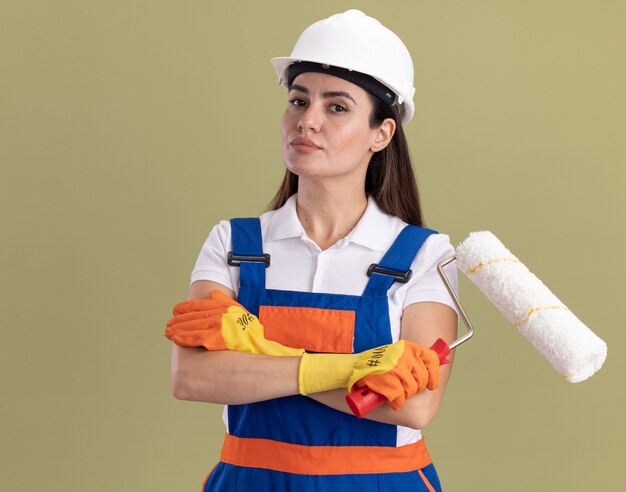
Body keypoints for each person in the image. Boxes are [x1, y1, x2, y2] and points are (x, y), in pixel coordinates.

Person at [166, 9, 459, 492]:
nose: (308, 121)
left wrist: (253, 354)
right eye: (298, 101)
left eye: (337, 107)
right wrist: (349, 369)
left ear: (381, 134)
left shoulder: (424, 256)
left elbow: (413, 405)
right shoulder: (235, 245)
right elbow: (194, 377)